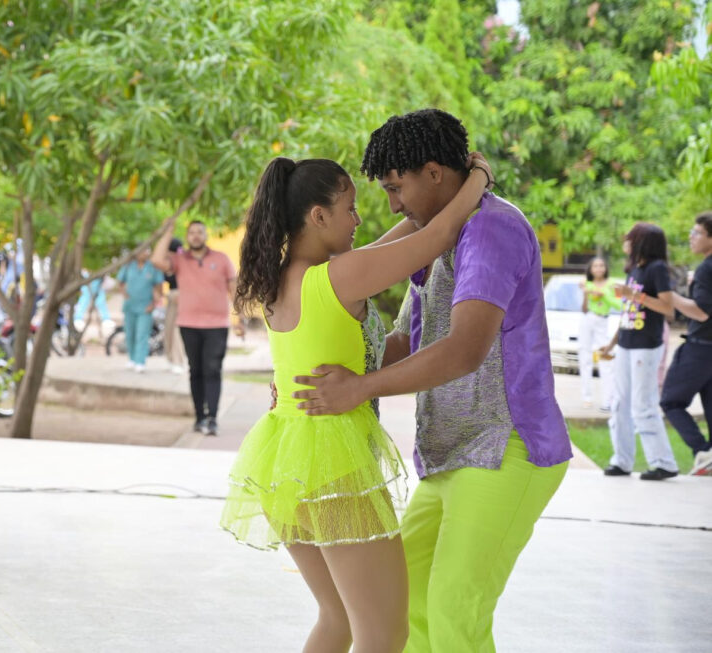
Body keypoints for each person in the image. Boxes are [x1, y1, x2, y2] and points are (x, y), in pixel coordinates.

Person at [291, 109, 573, 652]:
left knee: (452, 608)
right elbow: (402, 343)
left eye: (397, 188)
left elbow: (465, 349)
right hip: (449, 453)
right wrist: (318, 379)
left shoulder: (493, 229)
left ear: (435, 174)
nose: (393, 204)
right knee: (409, 602)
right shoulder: (437, 236)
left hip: (506, 448)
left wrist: (361, 388)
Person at [222, 151, 493, 653]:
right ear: (318, 216)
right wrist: (476, 179)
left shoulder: (282, 277)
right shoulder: (336, 279)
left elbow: (387, 246)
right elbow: (434, 240)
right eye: (350, 208)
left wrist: (422, 210)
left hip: (284, 461)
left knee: (338, 618)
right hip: (332, 467)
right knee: (384, 633)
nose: (359, 218)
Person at [599, 223, 680, 480]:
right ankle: (622, 461)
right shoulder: (634, 270)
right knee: (619, 403)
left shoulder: (657, 269)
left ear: (641, 242)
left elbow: (668, 308)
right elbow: (627, 313)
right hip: (626, 344)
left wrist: (634, 295)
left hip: (647, 345)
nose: (625, 242)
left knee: (643, 404)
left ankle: (663, 463)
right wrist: (612, 344)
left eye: (629, 239)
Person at [152, 221, 243, 435]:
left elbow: (234, 289)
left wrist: (240, 319)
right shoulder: (179, 260)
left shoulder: (221, 259)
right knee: (196, 371)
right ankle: (199, 417)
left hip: (217, 325)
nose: (195, 236)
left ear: (205, 235)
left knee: (212, 369)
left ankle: (212, 418)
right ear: (187, 236)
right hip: (189, 324)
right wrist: (167, 233)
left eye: (199, 232)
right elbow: (156, 260)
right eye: (191, 233)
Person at [660, 212, 712, 475]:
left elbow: (702, 312)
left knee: (671, 401)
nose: (691, 238)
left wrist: (671, 297)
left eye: (697, 233)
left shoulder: (706, 268)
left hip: (701, 346)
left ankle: (703, 451)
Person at [579, 257, 621, 409]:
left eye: (601, 265)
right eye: (595, 266)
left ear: (605, 268)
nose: (598, 268)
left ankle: (608, 399)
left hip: (602, 321)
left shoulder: (611, 285)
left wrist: (603, 294)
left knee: (605, 357)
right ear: (590, 269)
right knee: (585, 357)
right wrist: (586, 293)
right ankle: (587, 397)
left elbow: (618, 304)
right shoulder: (586, 284)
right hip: (588, 319)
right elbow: (583, 309)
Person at [116, 247, 165, 372]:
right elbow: (120, 282)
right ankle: (132, 359)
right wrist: (124, 294)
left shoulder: (152, 268)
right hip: (130, 306)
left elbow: (159, 287)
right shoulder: (128, 266)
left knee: (142, 335)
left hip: (145, 307)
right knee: (130, 334)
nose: (144, 253)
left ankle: (140, 361)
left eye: (146, 250)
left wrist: (154, 303)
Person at [163, 237, 187, 374]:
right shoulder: (169, 264)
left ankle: (178, 361)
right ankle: (171, 359)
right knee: (168, 329)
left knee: (177, 332)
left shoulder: (183, 263)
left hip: (181, 298)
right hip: (172, 298)